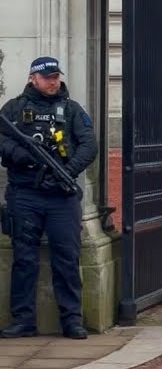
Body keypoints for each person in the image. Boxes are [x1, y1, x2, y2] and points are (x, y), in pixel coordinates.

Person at [0, 57, 97, 339]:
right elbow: (2, 139)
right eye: (47, 77)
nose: (53, 81)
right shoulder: (14, 109)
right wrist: (20, 155)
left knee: (67, 258)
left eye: (56, 76)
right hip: (24, 193)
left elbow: (89, 145)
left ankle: (71, 320)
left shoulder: (72, 109)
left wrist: (67, 171)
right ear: (33, 78)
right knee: (24, 259)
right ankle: (23, 321)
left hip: (61, 197)